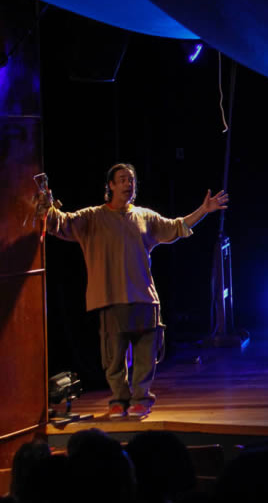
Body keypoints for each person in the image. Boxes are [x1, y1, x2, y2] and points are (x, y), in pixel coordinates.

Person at [44, 163, 228, 418]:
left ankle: (141, 398)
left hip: (143, 298)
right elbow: (60, 223)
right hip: (110, 298)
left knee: (145, 357)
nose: (128, 184)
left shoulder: (144, 216)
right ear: (110, 185)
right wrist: (46, 203)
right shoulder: (93, 217)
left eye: (131, 180)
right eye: (122, 180)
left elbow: (176, 228)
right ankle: (119, 400)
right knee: (113, 359)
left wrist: (204, 210)